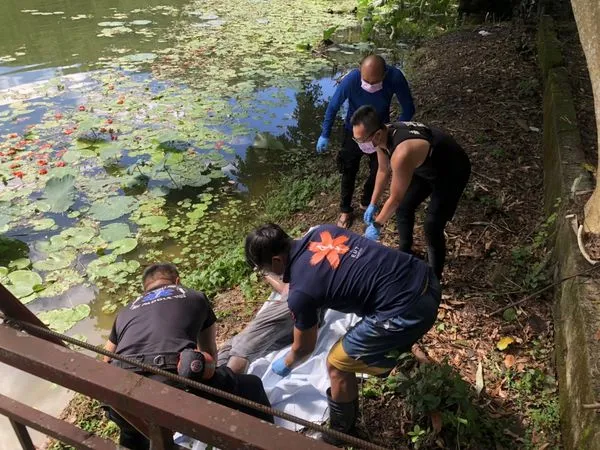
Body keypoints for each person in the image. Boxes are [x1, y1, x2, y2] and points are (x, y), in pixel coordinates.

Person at [244, 223, 441, 444]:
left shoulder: (300, 293)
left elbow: (304, 347)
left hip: (409, 310)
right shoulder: (323, 231)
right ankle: (391, 351)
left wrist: (286, 363)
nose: (271, 274)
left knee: (336, 364)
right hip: (426, 277)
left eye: (267, 269)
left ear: (277, 260)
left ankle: (341, 432)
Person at [103, 263, 273, 450]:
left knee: (132, 431)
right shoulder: (193, 295)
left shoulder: (125, 311)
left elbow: (106, 359)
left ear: (145, 289)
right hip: (171, 379)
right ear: (177, 281)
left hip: (120, 390)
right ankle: (268, 442)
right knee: (252, 386)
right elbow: (208, 353)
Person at [352, 105, 471, 279]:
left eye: (361, 141)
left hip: (451, 170)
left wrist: (377, 225)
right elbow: (383, 171)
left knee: (432, 225)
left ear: (376, 134)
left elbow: (395, 198)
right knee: (404, 208)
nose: (360, 145)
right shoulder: (382, 136)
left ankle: (434, 278)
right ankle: (405, 253)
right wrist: (372, 203)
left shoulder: (401, 153)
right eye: (356, 140)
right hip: (425, 166)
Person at [316, 54, 415, 229]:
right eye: (365, 81)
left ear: (384, 75)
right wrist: (325, 133)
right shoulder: (352, 80)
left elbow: (408, 107)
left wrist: (394, 131)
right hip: (353, 131)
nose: (369, 85)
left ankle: (367, 200)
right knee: (348, 170)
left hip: (379, 131)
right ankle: (345, 209)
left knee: (378, 169)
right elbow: (333, 106)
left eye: (374, 82)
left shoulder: (395, 78)